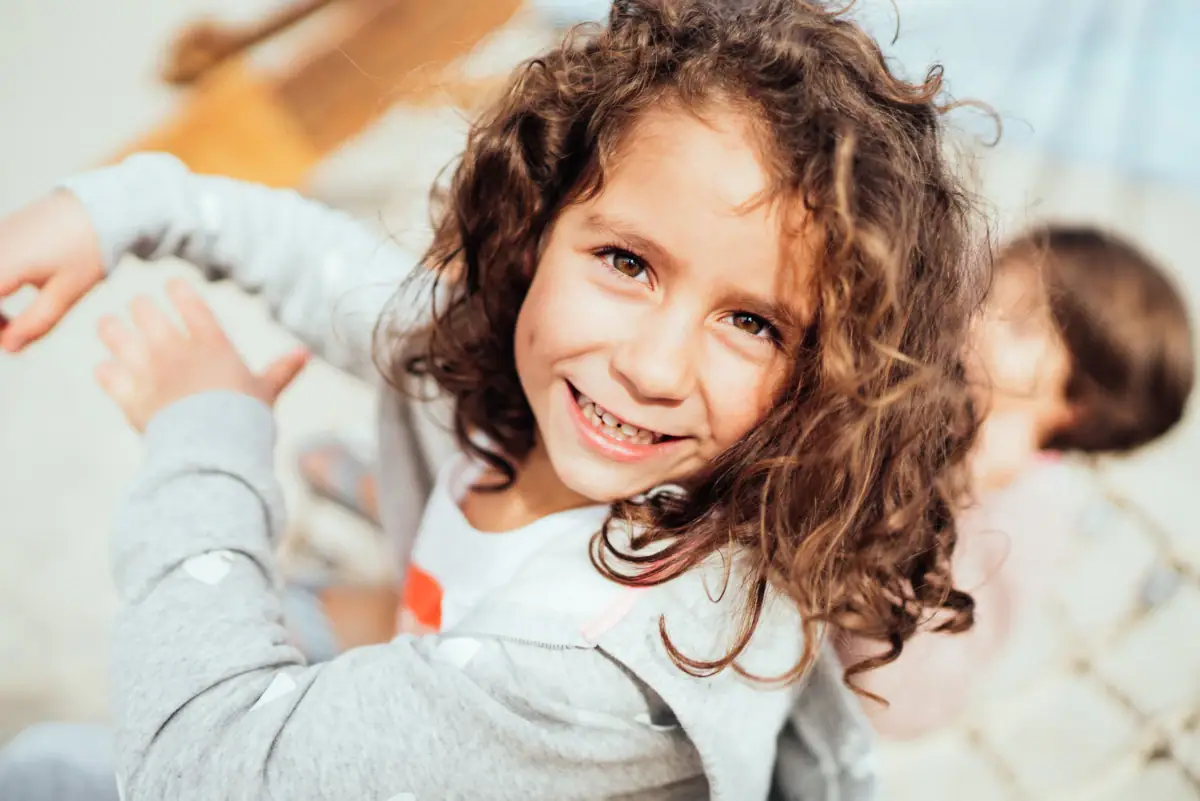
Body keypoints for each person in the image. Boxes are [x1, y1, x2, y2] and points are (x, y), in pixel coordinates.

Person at [0, 1, 988, 798]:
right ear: (537, 226)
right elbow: (317, 258)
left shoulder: (623, 660)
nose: (651, 365)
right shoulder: (505, 372)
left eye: (754, 324)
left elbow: (197, 772)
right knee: (45, 765)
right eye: (625, 261)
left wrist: (205, 433)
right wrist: (123, 207)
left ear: (832, 378)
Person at [841, 224, 1195, 738]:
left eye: (1022, 327)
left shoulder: (1027, 517)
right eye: (987, 289)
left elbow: (897, 706)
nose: (979, 318)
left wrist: (949, 496)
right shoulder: (922, 387)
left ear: (1077, 404)